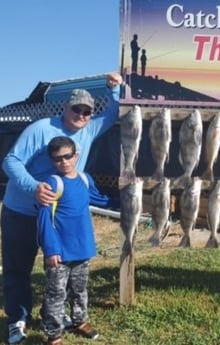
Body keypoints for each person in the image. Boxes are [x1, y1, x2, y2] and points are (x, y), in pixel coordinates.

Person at [1, 72, 122, 345]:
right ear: (65, 107)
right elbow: (11, 161)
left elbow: (113, 113)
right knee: (18, 269)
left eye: (87, 111)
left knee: (62, 269)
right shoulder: (41, 129)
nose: (81, 114)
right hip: (22, 211)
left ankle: (54, 315)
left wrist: (114, 88)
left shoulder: (89, 129)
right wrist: (34, 186)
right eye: (76, 108)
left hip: (60, 217)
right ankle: (17, 320)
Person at [38, 136, 102, 345]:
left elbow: (100, 199)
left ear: (76, 156)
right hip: (60, 253)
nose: (64, 162)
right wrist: (51, 249)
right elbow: (44, 219)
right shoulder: (52, 183)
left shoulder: (85, 179)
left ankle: (79, 321)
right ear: (52, 161)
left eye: (68, 156)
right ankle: (54, 335)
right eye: (58, 159)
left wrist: (127, 198)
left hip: (83, 249)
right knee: (56, 295)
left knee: (80, 289)